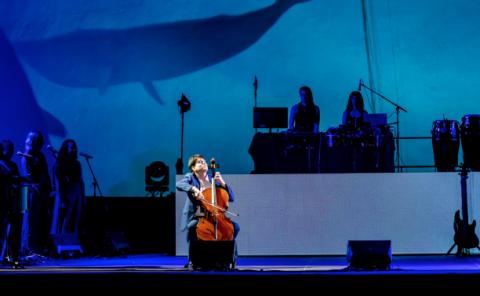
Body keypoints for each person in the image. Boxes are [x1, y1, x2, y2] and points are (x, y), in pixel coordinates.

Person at [176, 154, 240, 268]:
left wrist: (223, 183)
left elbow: (231, 198)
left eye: (204, 161)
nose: (203, 163)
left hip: (216, 214)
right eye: (199, 162)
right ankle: (192, 260)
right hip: (199, 212)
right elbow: (179, 184)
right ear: (193, 167)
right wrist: (193, 188)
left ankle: (228, 257)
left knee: (235, 227)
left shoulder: (213, 179)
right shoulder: (190, 177)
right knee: (192, 228)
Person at [20, 131, 52, 255]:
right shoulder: (26, 155)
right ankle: (28, 246)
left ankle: (37, 244)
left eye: (39, 140)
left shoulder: (41, 156)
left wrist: (48, 188)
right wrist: (33, 185)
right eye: (35, 140)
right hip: (30, 192)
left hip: (41, 192)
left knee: (40, 219)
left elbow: (45, 173)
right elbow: (26, 175)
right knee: (30, 219)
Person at [50, 139, 85, 237]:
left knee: (73, 220)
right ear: (65, 149)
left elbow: (80, 181)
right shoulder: (60, 163)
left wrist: (82, 196)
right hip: (64, 194)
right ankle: (61, 243)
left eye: (75, 147)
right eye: (71, 147)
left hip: (76, 195)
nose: (74, 149)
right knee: (63, 220)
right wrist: (62, 199)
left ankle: (72, 243)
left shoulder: (77, 163)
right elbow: (59, 181)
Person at [0, 140, 23, 268]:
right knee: (2, 231)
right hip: (3, 201)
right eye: (8, 149)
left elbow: (17, 180)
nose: (11, 152)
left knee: (13, 232)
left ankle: (11, 257)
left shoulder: (13, 165)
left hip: (13, 201)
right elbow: (10, 177)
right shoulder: (1, 164)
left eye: (12, 149)